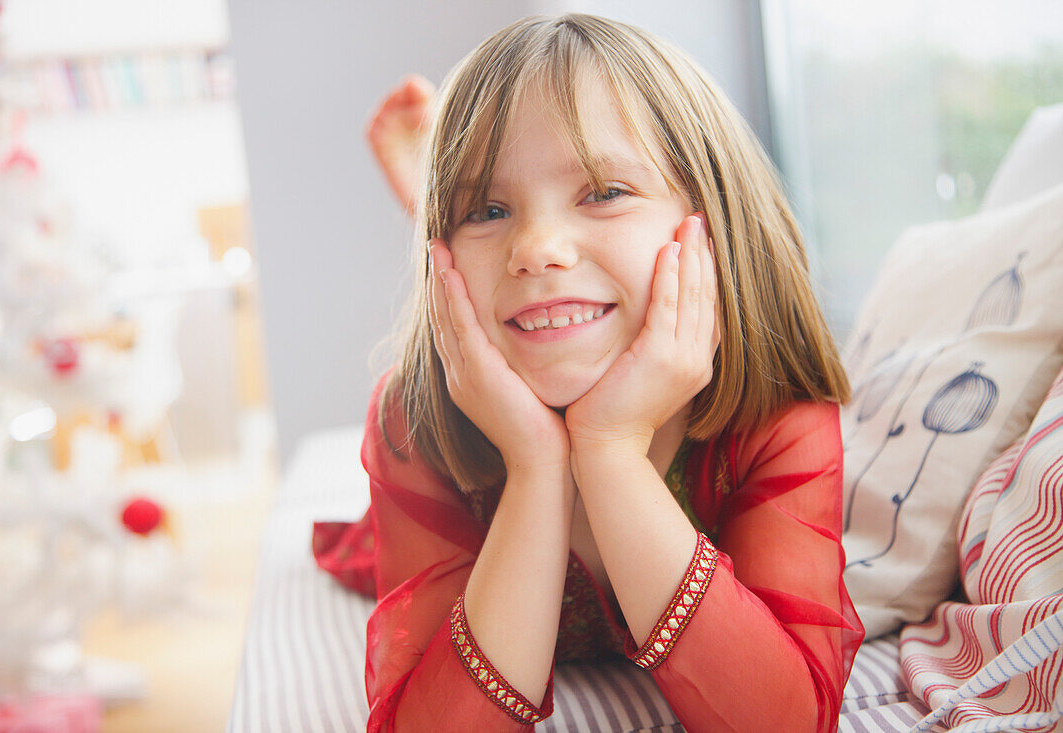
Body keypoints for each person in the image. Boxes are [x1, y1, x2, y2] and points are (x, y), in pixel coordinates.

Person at [315, 13, 864, 732]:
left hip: (575, 326)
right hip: (427, 511)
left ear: (713, 219)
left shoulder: (775, 417)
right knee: (360, 550)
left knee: (531, 276)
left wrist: (608, 449)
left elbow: (785, 720)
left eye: (604, 192)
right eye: (487, 208)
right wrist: (536, 463)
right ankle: (435, 205)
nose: (539, 245)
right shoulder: (414, 425)